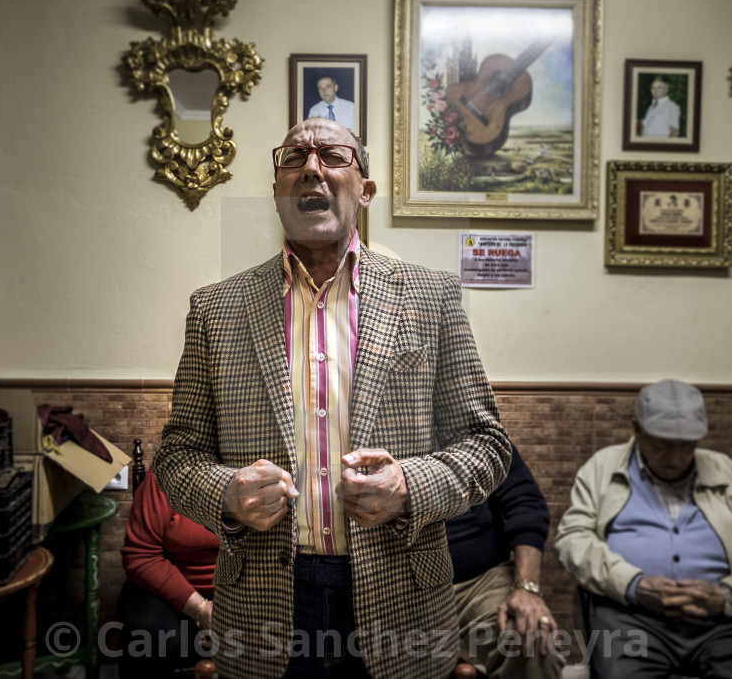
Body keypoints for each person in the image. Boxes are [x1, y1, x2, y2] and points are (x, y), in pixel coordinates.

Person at [153, 117, 511, 679]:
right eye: (294, 157)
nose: (311, 168)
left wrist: (409, 486)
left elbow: (488, 446)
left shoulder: (433, 296)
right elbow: (175, 457)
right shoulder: (215, 310)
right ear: (276, 190)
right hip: (262, 607)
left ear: (364, 190)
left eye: (333, 156)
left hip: (403, 599)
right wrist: (227, 493)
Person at [555, 379, 732, 678]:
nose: (674, 457)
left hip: (722, 624)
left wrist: (728, 596)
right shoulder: (602, 468)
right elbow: (573, 540)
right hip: (630, 618)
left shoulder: (727, 472)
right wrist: (634, 585)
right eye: (662, 444)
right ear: (636, 429)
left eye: (686, 446)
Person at [447, 444, 564, 679]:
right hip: (397, 584)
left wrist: (526, 588)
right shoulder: (362, 432)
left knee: (531, 640)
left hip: (480, 582)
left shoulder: (473, 426)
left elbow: (525, 503)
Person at [118, 469, 219, 678]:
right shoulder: (165, 474)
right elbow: (141, 556)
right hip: (174, 589)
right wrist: (202, 611)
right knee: (146, 635)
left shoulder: (264, 476)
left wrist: (232, 614)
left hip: (241, 588)